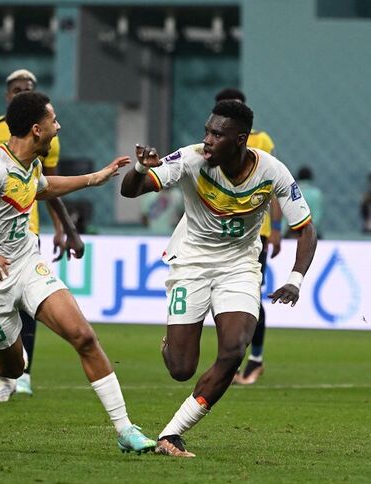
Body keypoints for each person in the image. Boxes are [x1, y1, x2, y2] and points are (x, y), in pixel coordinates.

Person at [0, 91, 156, 454]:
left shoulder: (30, 163)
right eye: (54, 121)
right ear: (36, 129)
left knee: (84, 336)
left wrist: (95, 178)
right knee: (12, 368)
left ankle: (124, 428)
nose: (58, 126)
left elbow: (41, 187)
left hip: (27, 264)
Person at [121, 100, 317, 457]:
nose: (207, 140)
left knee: (233, 350)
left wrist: (295, 279)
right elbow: (129, 190)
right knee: (181, 369)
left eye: (217, 134)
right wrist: (139, 167)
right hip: (191, 263)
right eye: (207, 131)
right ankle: (172, 342)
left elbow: (305, 229)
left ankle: (172, 433)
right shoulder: (190, 159)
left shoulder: (272, 171)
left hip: (240, 266)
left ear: (240, 139)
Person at [0, 68, 84, 401]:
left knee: (29, 306)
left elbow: (47, 184)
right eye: (18, 89)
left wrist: (66, 229)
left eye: (30, 89)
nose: (23, 93)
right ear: (8, 96)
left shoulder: (49, 133)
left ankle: (24, 373)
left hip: (26, 229)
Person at [214, 88, 282, 385]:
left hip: (256, 233)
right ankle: (228, 358)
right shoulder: (212, 143)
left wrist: (277, 229)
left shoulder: (261, 142)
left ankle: (255, 358)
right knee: (220, 295)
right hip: (219, 231)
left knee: (251, 295)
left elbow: (275, 184)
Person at [286, 166, 324, 238]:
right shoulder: (316, 194)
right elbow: (317, 217)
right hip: (311, 232)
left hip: (292, 232)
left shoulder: (292, 192)